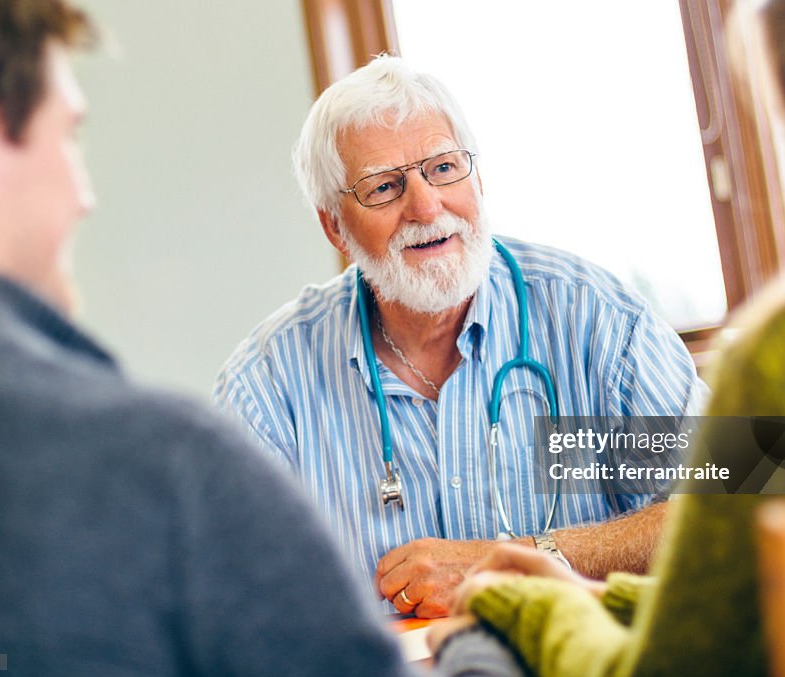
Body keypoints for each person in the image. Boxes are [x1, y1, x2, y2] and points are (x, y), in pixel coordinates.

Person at [0, 2, 523, 677]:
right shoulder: (164, 463)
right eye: (68, 136)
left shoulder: (601, 317)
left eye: (444, 168)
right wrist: (493, 638)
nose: (83, 195)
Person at [429, 0, 785, 677]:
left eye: (443, 168)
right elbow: (736, 596)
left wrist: (529, 605)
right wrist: (596, 597)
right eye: (383, 185)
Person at [213, 55, 708, 617]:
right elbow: (221, 597)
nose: (426, 207)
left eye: (444, 169)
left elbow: (743, 499)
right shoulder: (269, 384)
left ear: (478, 177)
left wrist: (526, 560)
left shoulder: (596, 318)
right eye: (384, 187)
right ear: (334, 226)